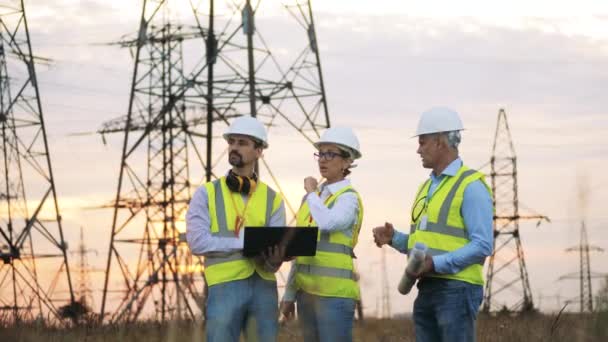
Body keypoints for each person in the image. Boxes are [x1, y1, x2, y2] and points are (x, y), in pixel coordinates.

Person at [373, 107, 494, 342]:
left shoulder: (471, 186)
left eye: (423, 142)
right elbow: (426, 243)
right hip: (427, 289)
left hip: (458, 289)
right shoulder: (426, 188)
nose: (418, 149)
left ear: (440, 142)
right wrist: (395, 239)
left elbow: (482, 245)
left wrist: (435, 263)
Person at [186, 115, 286, 342]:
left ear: (259, 151)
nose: (234, 147)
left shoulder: (273, 199)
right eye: (232, 142)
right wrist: (245, 242)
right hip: (223, 287)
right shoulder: (207, 193)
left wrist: (276, 257)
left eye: (242, 143)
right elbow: (197, 242)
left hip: (264, 287)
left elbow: (276, 252)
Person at [279, 127, 364, 342]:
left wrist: (310, 193)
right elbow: (299, 250)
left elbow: (328, 222)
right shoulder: (312, 200)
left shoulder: (348, 199)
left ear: (347, 161)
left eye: (330, 154)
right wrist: (289, 294)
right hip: (306, 295)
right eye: (320, 153)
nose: (322, 160)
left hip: (335, 297)